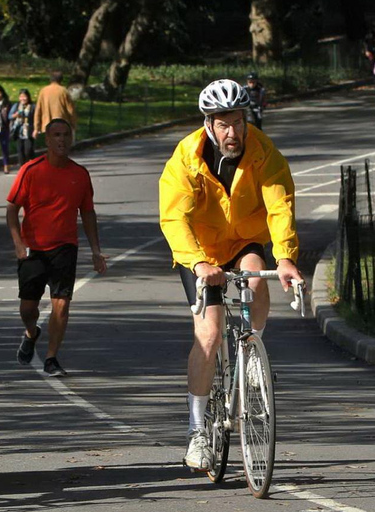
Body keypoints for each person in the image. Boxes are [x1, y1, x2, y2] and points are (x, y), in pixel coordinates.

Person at [159, 79, 303, 471]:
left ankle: (252, 348)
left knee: (256, 276)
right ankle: (197, 434)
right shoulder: (187, 157)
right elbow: (174, 217)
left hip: (243, 240)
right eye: (223, 123)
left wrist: (286, 257)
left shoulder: (262, 150)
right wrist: (199, 263)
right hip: (201, 251)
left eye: (238, 121)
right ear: (208, 123)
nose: (232, 132)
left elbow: (280, 205)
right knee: (208, 334)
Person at [6, 118, 107, 377]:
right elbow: (12, 210)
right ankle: (31, 332)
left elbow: (88, 213)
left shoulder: (80, 174)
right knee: (28, 308)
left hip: (65, 247)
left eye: (66, 135)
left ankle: (51, 357)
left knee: (61, 304)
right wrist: (18, 245)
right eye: (57, 135)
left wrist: (96, 250)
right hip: (33, 248)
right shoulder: (31, 170)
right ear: (47, 140)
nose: (62, 140)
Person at [32, 71, 77, 140]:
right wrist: (73, 124)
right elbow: (71, 110)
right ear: (61, 80)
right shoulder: (64, 91)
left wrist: (36, 128)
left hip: (47, 125)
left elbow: (38, 111)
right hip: (61, 124)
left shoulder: (43, 91)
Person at [8, 88, 36, 168]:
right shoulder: (16, 106)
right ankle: (22, 168)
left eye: (24, 96)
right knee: (20, 152)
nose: (23, 98)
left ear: (28, 97)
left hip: (29, 131)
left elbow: (36, 118)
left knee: (28, 150)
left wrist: (36, 129)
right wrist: (15, 115)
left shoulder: (33, 106)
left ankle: (30, 166)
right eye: (21, 96)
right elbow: (9, 116)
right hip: (19, 131)